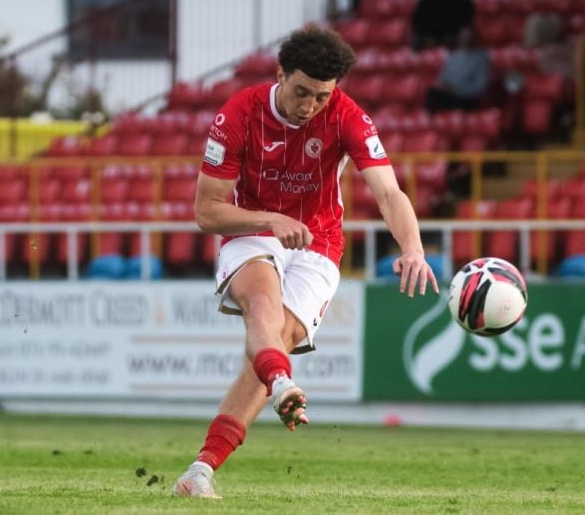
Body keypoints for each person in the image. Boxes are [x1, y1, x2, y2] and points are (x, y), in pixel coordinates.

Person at [172, 26, 440, 499]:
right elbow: (206, 211)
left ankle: (200, 470)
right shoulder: (238, 114)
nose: (310, 106)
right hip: (252, 230)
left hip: (319, 242)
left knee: (278, 339)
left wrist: (413, 248)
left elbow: (388, 192)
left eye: (321, 96)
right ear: (279, 74)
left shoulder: (348, 117)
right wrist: (270, 218)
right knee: (262, 307)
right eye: (301, 92)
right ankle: (280, 381)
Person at [424, 27, 491, 114]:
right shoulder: (453, 57)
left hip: (467, 98)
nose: (465, 39)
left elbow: (480, 86)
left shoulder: (481, 57)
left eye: (468, 37)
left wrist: (457, 89)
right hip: (450, 96)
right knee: (432, 93)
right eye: (463, 36)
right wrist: (443, 86)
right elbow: (442, 79)